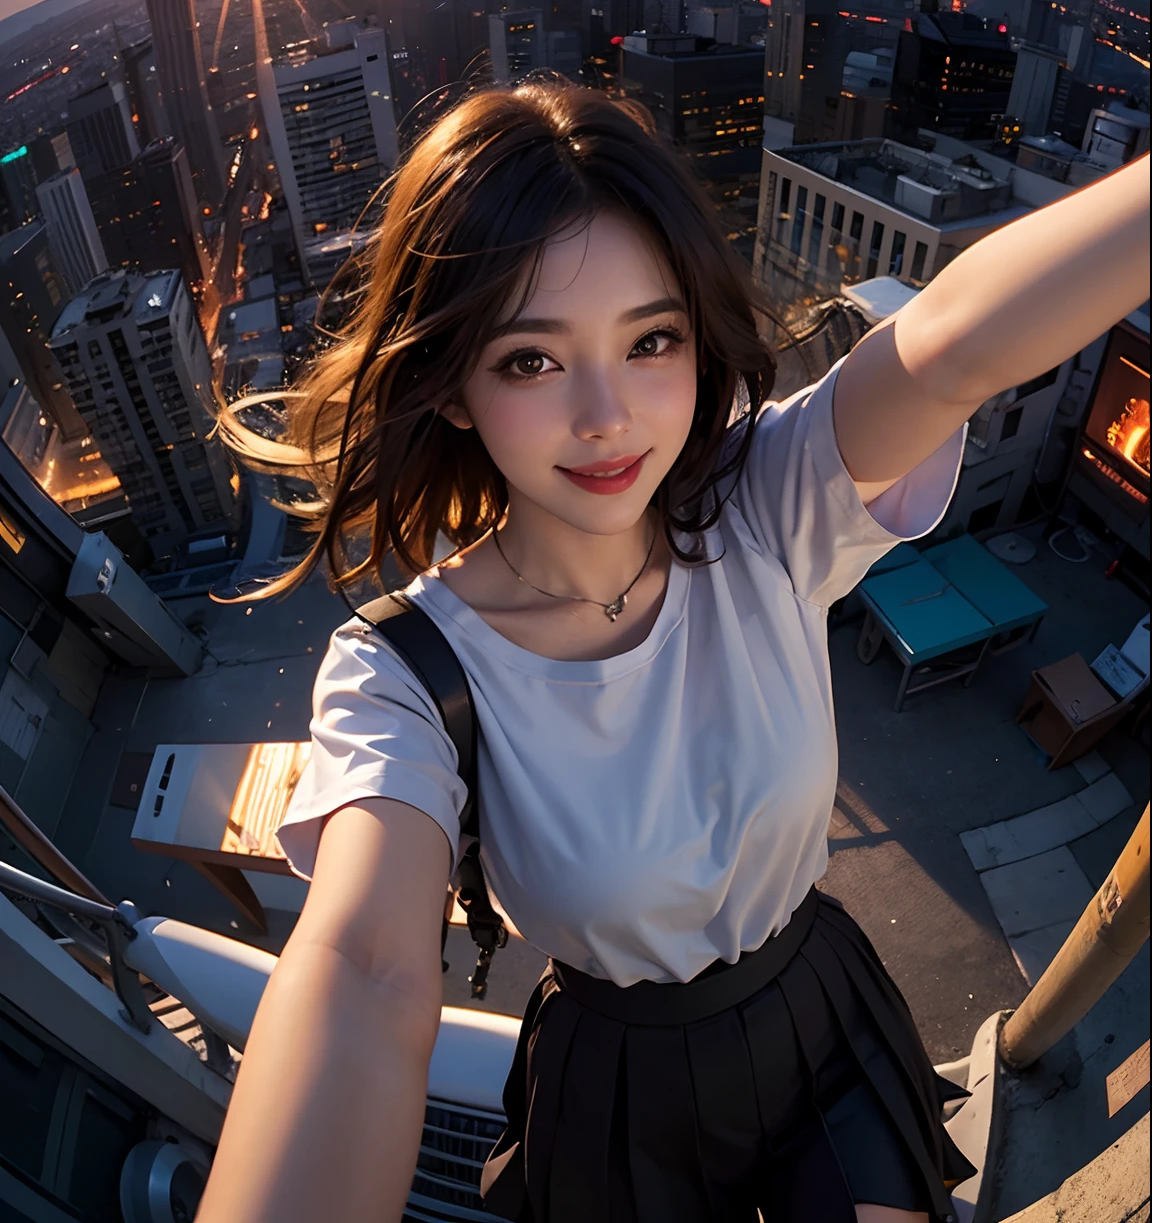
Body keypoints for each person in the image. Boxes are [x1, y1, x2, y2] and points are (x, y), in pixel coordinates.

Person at [200, 82, 1149, 1223]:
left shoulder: (760, 501)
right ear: (451, 387)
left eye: (651, 340)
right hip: (618, 1078)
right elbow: (367, 972)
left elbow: (947, 350)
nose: (607, 417)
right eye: (532, 361)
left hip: (820, 1009)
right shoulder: (402, 672)